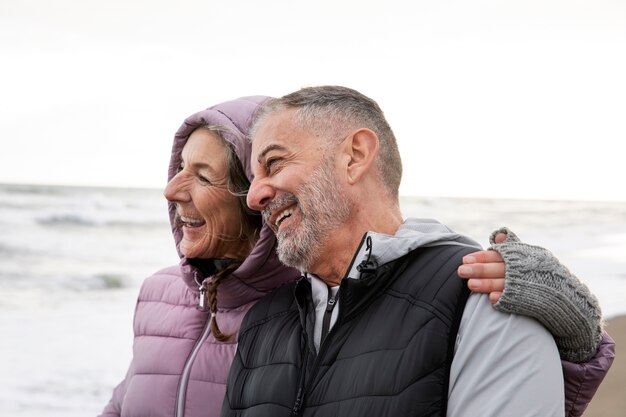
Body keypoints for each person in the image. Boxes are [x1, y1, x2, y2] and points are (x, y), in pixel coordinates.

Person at [100, 96, 612, 417]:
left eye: (273, 165)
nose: (257, 195)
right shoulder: (268, 321)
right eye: (254, 176)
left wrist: (577, 340)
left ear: (355, 155)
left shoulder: (477, 294)